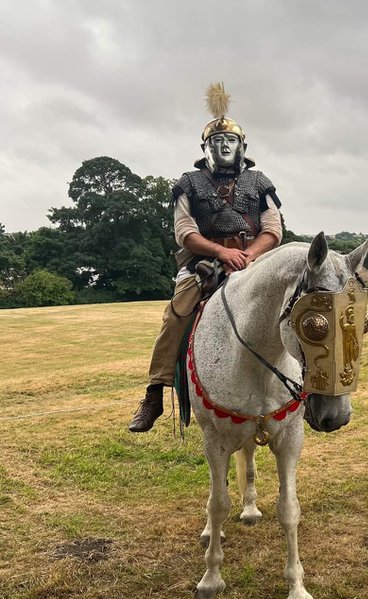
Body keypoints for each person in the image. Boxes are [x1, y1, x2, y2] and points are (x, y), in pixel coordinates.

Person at [129, 83, 283, 433]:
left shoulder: (260, 183)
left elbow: (273, 229)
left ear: (243, 147)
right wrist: (221, 252)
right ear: (205, 149)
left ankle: (304, 388)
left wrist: (248, 254)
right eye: (216, 142)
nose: (224, 146)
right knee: (177, 312)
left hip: (252, 260)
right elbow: (184, 231)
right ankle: (155, 392)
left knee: (288, 307)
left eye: (230, 141)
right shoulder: (189, 183)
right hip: (203, 265)